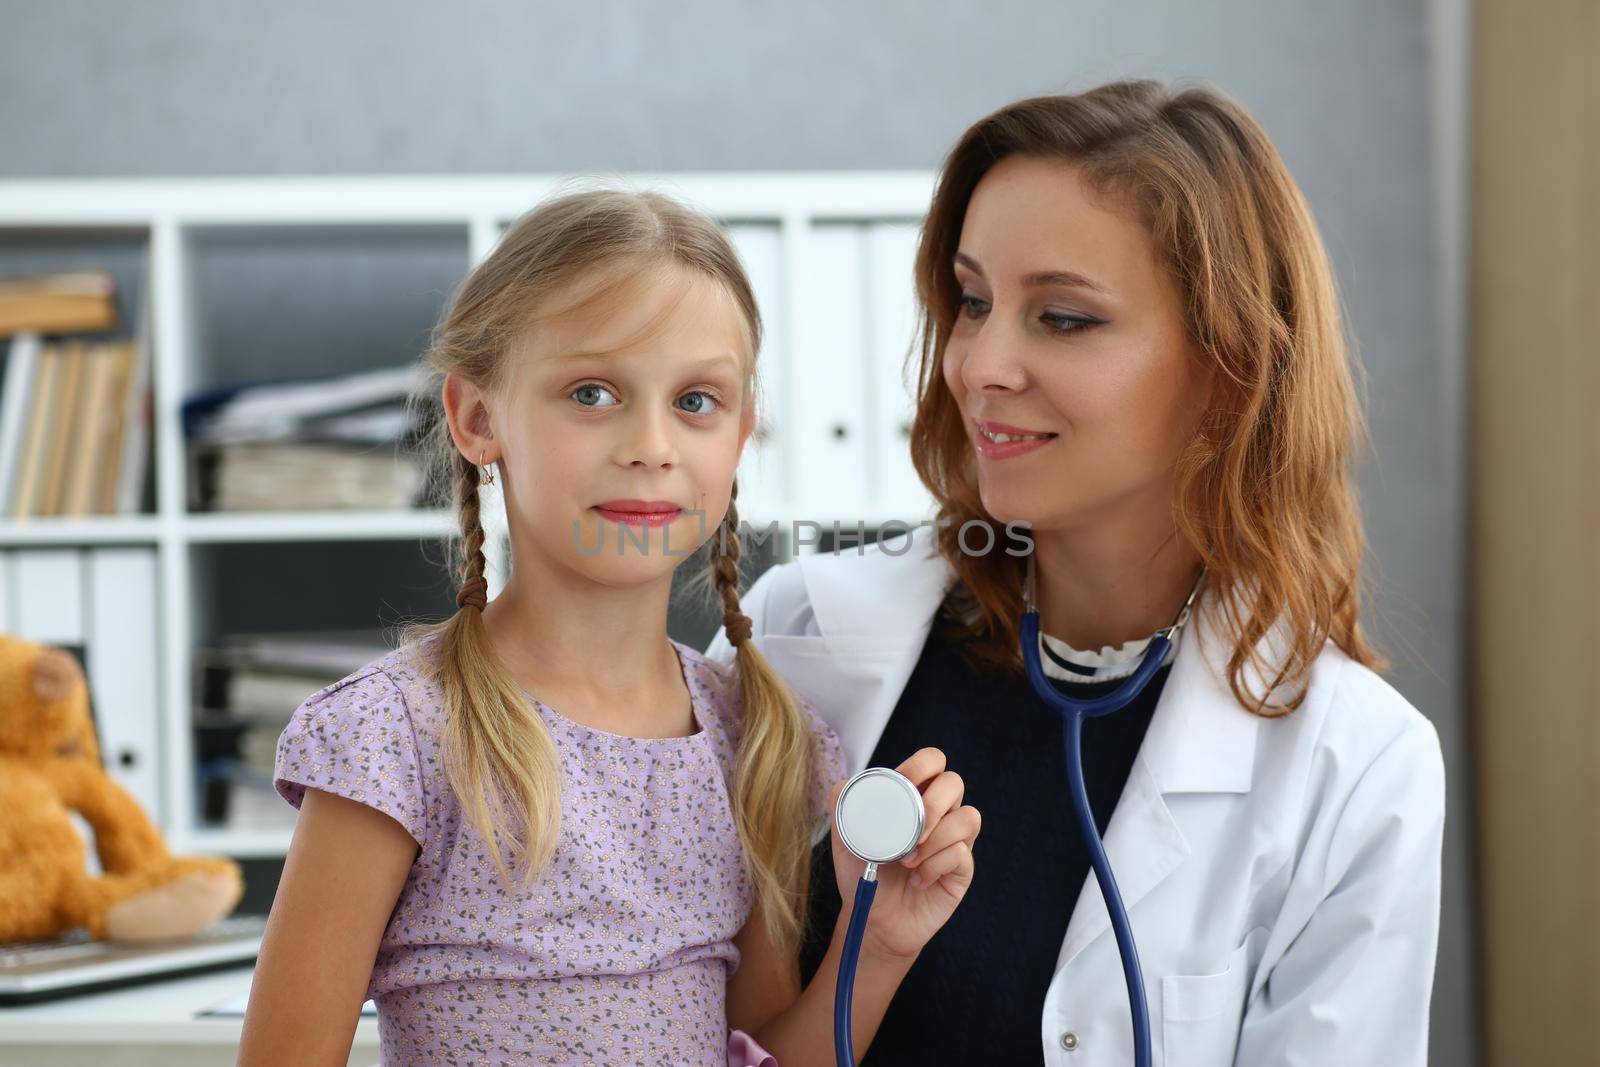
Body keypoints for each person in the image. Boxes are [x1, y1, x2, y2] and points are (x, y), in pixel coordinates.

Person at [705, 80, 1446, 1066]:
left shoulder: (1355, 765)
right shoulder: (796, 629)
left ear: (1227, 369)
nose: (979, 364)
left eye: (1061, 316)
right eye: (972, 301)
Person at [237, 187, 982, 1066]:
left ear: (741, 433)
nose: (651, 443)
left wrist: (880, 942)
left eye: (697, 401)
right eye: (593, 392)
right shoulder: (395, 737)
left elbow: (762, 1049)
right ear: (477, 418)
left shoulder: (753, 741)